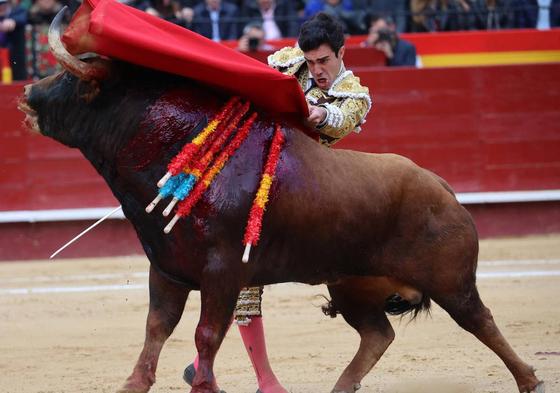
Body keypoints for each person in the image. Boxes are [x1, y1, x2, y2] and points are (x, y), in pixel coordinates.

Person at [183, 12, 371, 393]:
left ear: (341, 52)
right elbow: (252, 78)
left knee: (241, 272)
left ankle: (205, 363)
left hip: (302, 189)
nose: (316, 69)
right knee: (241, 273)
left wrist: (315, 112)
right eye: (312, 61)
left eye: (324, 61)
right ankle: (263, 381)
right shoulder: (289, 60)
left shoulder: (355, 94)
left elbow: (338, 119)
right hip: (257, 178)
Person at [0, 0, 27, 80]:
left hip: (15, 59)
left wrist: (13, 21)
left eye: (3, 4)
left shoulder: (18, 11)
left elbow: (23, 17)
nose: (1, 7)